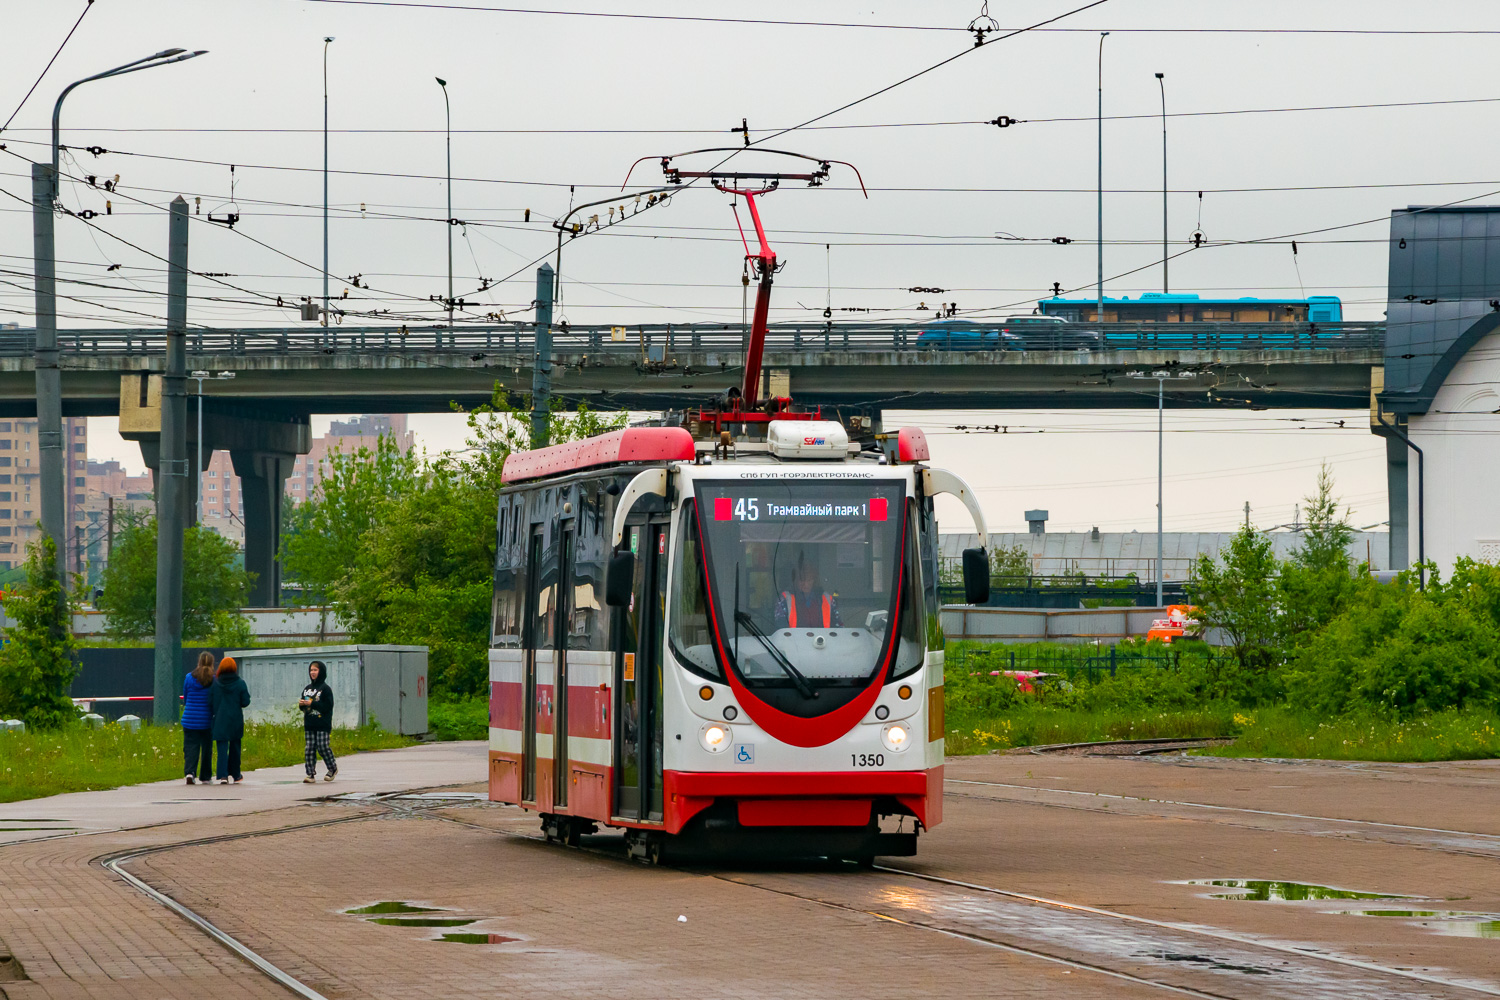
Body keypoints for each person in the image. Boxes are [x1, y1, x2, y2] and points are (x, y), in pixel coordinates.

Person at [209, 655, 251, 785]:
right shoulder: (240, 683)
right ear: (234, 668)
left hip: (220, 719)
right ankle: (236, 774)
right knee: (235, 748)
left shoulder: (215, 683)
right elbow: (245, 702)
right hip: (235, 719)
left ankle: (222, 775)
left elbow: (210, 701)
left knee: (222, 749)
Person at [298, 660, 338, 783]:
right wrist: (302, 705)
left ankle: (332, 768)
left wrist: (313, 703)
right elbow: (305, 707)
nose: (312, 672)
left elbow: (327, 706)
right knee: (309, 748)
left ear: (321, 672)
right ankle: (310, 774)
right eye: (311, 670)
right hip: (310, 724)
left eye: (315, 670)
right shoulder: (307, 689)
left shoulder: (325, 689)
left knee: (322, 747)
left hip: (322, 723)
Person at [774, 556, 841, 629]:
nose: (805, 584)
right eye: (802, 580)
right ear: (796, 580)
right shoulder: (785, 599)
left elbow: (838, 626)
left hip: (822, 639)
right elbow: (780, 626)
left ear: (814, 580)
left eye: (809, 580)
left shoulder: (828, 599)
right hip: (793, 639)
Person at [181, 652, 215, 785]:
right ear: (212, 663)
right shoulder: (214, 680)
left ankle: (190, 772)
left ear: (198, 662)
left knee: (190, 747)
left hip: (189, 719)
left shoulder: (189, 678)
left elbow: (186, 697)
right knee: (207, 748)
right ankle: (205, 776)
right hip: (206, 720)